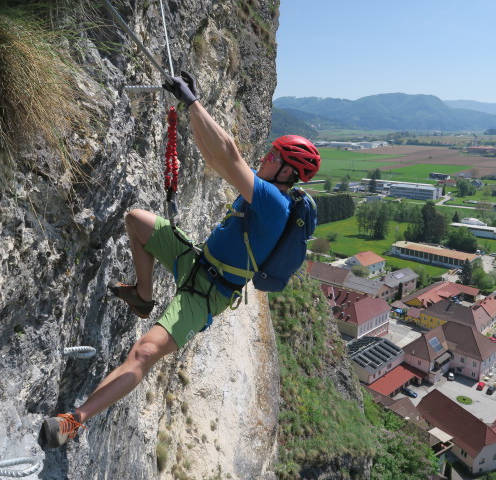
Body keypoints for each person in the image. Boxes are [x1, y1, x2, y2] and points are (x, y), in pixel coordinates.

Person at [39, 72, 320, 448]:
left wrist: (192, 101)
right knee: (137, 220)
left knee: (145, 351)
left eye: (273, 156)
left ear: (287, 171)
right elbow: (214, 157)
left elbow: (229, 152)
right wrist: (192, 110)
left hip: (208, 294)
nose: (264, 158)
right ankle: (143, 295)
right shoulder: (262, 188)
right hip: (196, 262)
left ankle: (74, 422)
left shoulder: (274, 202)